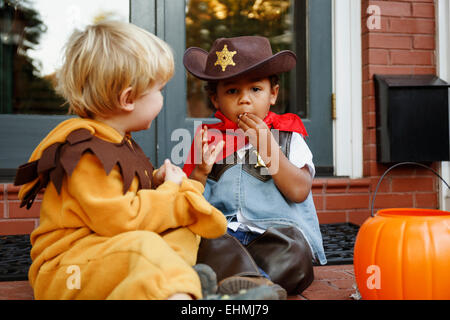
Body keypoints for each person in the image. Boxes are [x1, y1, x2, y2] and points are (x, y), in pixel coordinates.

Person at [13, 21, 277, 300]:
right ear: (128, 99)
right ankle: (186, 296)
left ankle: (182, 283)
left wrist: (158, 181)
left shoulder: (118, 141)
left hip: (108, 256)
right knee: (145, 246)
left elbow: (126, 201)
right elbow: (123, 219)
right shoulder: (86, 154)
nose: (162, 98)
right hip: (70, 270)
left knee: (181, 232)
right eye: (158, 90)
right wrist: (171, 192)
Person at [183, 36, 327, 298]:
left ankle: (242, 284)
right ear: (215, 100)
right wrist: (200, 172)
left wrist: (267, 146)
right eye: (232, 91)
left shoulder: (287, 136)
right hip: (225, 233)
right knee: (205, 243)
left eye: (255, 90)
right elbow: (189, 198)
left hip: (277, 235)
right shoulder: (207, 141)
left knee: (293, 255)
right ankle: (257, 288)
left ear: (273, 94)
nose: (244, 100)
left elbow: (299, 191)